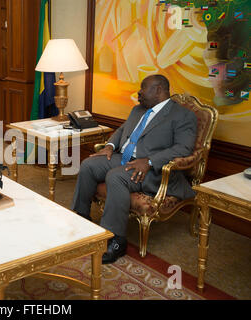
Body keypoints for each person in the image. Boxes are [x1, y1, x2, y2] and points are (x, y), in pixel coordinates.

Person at [71, 74, 198, 264]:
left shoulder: (182, 115)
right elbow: (122, 131)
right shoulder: (138, 110)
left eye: (143, 88)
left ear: (158, 90)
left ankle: (116, 240)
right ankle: (81, 219)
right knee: (89, 165)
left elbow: (184, 148)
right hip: (123, 157)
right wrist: (110, 147)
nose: (138, 92)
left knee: (116, 177)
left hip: (152, 169)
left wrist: (149, 161)